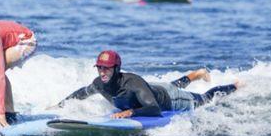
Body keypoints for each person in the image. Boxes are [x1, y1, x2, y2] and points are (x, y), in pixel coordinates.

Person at [55, 50, 242, 118]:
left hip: (170, 99)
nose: (102, 72)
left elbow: (154, 109)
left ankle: (235, 86)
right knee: (163, 86)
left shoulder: (132, 83)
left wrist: (131, 112)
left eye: (107, 68)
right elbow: (82, 92)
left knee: (204, 99)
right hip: (151, 88)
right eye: (100, 68)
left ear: (117, 68)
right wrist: (61, 104)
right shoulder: (99, 83)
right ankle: (196, 75)